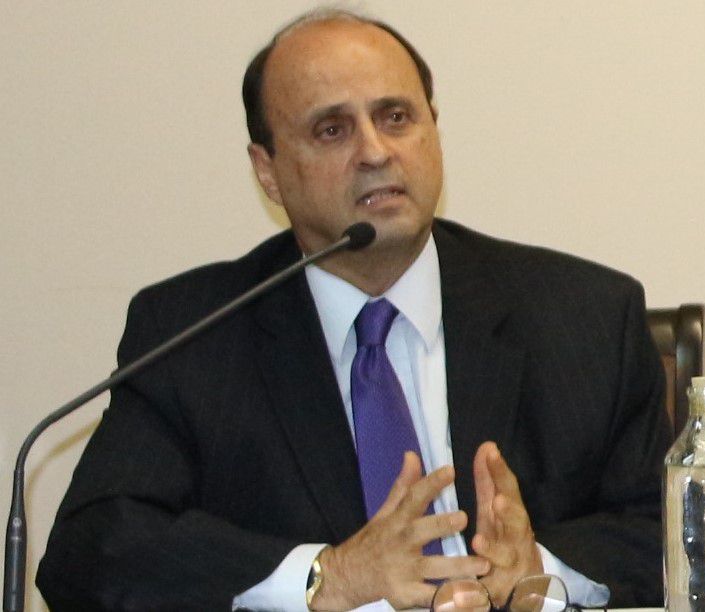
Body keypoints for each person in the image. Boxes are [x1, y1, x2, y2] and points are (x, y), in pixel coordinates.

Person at [36, 8, 671, 611]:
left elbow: (680, 535)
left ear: (433, 131)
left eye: (396, 117)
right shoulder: (193, 334)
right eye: (332, 130)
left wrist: (541, 569)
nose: (375, 151)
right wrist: (327, 577)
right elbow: (91, 551)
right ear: (268, 170)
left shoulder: (585, 318)